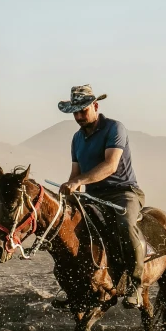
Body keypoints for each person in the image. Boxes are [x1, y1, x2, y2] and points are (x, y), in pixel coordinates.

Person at [58, 85, 145, 308]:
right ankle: (77, 288)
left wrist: (79, 182)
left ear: (95, 106)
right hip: (92, 195)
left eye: (82, 111)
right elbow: (75, 174)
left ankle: (135, 285)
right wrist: (69, 194)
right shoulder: (77, 138)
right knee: (70, 230)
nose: (78, 116)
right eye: (75, 113)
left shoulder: (115, 128)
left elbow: (110, 165)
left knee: (126, 226)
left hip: (122, 192)